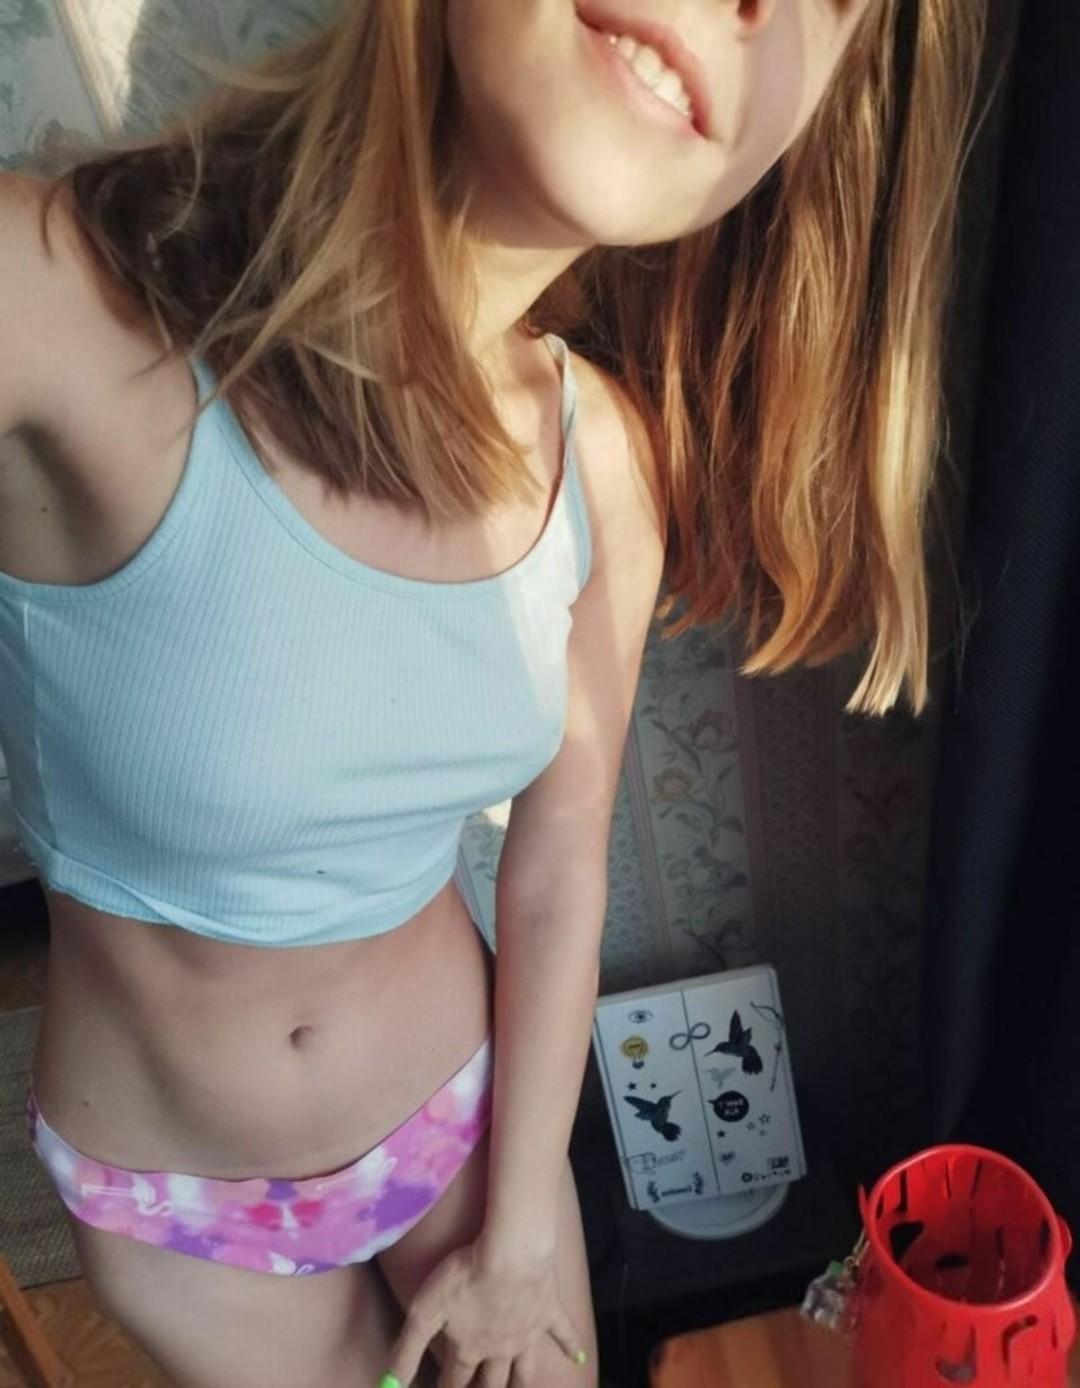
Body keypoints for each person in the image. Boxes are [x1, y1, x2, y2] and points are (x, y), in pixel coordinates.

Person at [0, 1, 987, 1384]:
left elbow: (558, 871)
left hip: (465, 1136)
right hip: (180, 1211)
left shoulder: (605, 470)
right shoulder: (58, 301)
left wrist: (525, 1216)